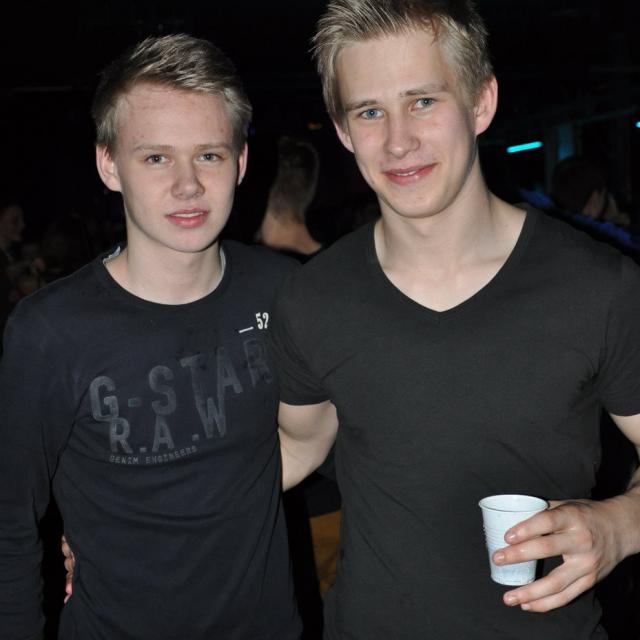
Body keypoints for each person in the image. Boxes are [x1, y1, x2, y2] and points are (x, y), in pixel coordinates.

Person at [269, 1, 640, 638]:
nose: (398, 141)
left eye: (423, 101)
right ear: (343, 130)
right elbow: (294, 448)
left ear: (480, 102)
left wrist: (622, 524)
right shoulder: (313, 297)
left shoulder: (600, 287)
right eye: (369, 112)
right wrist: (124, 499)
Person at [0, 34, 301, 640]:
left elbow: (352, 432)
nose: (188, 185)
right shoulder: (49, 332)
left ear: (241, 162)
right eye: (156, 158)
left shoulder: (285, 291)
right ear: (109, 165)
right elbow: (8, 524)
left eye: (209, 155)